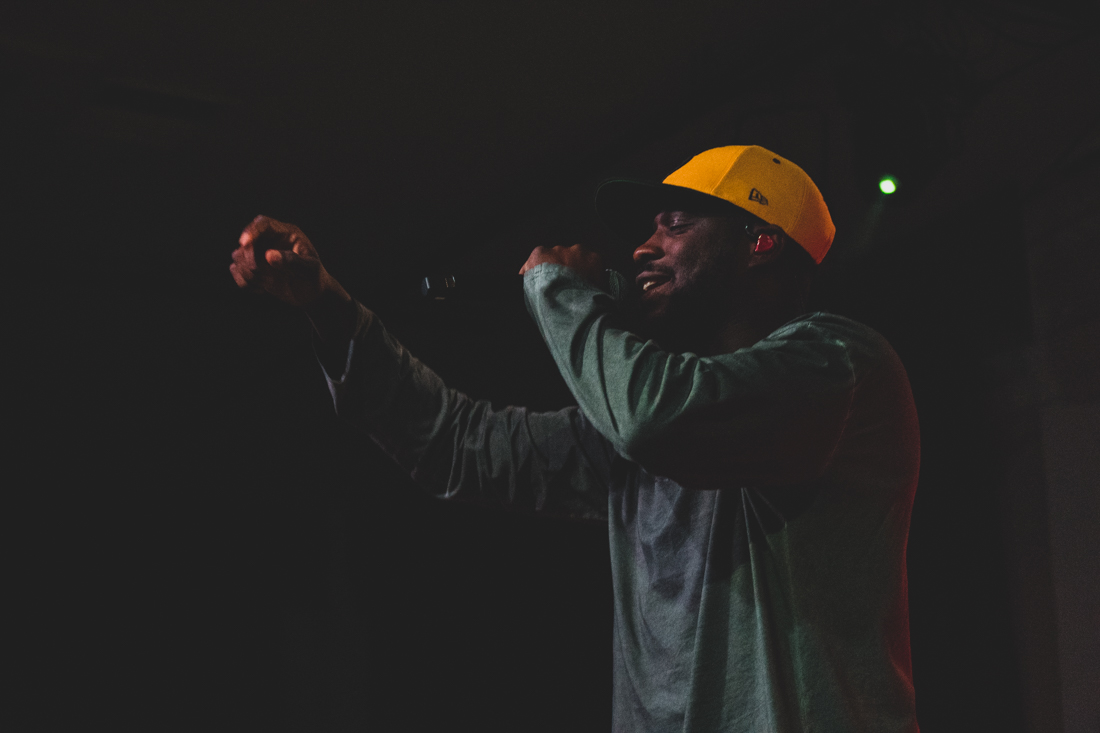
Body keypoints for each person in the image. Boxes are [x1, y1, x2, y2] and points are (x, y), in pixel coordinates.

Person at [229, 145, 921, 733]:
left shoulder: (837, 364)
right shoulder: (637, 419)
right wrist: (325, 305)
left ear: (759, 239)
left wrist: (561, 293)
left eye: (674, 224)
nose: (644, 246)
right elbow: (457, 444)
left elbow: (658, 418)